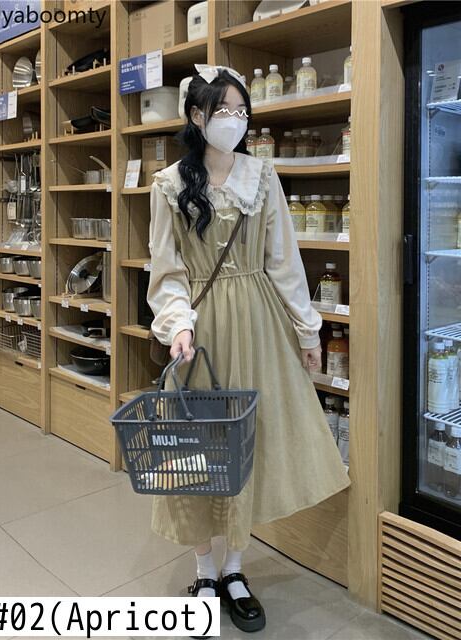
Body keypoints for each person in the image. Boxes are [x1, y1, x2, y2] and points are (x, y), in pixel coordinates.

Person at [146, 64, 351, 634]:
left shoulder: (262, 177)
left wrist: (307, 330)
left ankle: (235, 570)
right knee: (198, 449)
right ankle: (204, 570)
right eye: (224, 111)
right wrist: (177, 324)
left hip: (259, 324)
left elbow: (284, 261)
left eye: (242, 111)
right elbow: (166, 268)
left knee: (248, 446)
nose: (235, 121)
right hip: (201, 333)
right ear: (197, 116)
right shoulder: (169, 185)